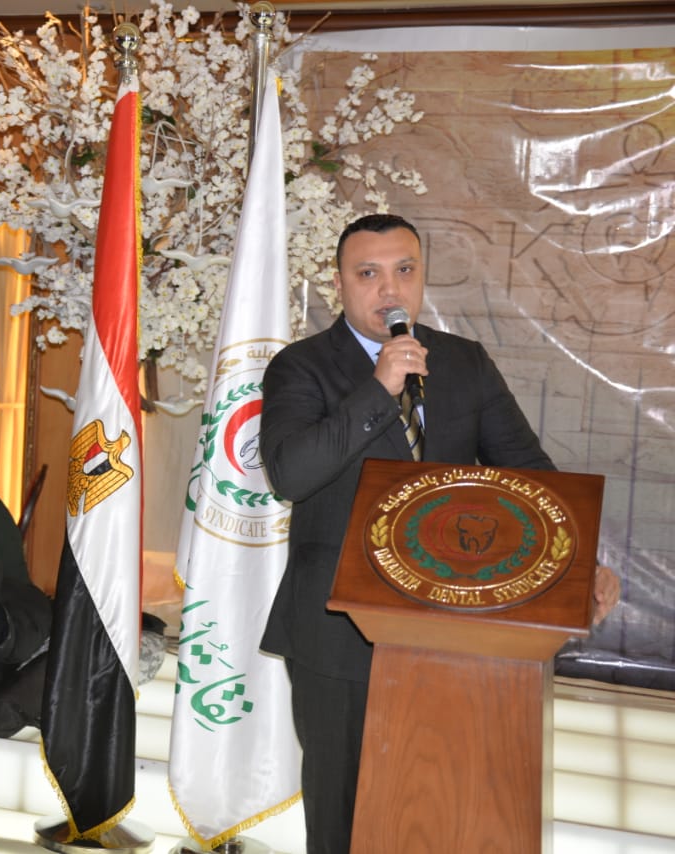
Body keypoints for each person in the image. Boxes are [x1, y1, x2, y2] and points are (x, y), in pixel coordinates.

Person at [258, 213, 621, 854]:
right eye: (368, 274)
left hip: (457, 628)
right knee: (342, 815)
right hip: (337, 631)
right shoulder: (300, 367)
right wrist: (379, 389)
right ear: (339, 283)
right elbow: (291, 474)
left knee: (442, 806)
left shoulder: (463, 362)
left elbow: (529, 475)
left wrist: (579, 565)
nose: (389, 290)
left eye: (404, 270)